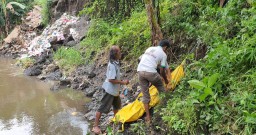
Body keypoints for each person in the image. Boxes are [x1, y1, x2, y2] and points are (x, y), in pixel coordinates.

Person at [92, 46, 129, 134]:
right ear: (115, 54)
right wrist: (123, 82)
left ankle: (116, 120)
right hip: (109, 91)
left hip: (114, 90)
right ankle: (95, 126)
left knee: (117, 106)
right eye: (119, 52)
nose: (121, 53)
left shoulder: (115, 62)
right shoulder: (112, 65)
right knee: (102, 107)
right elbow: (111, 79)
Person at [137, 39, 171, 123]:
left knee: (145, 95)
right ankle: (164, 110)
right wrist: (166, 81)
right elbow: (162, 71)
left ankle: (148, 117)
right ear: (165, 47)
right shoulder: (163, 54)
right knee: (162, 90)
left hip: (140, 71)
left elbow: (141, 60)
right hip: (151, 73)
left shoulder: (149, 48)